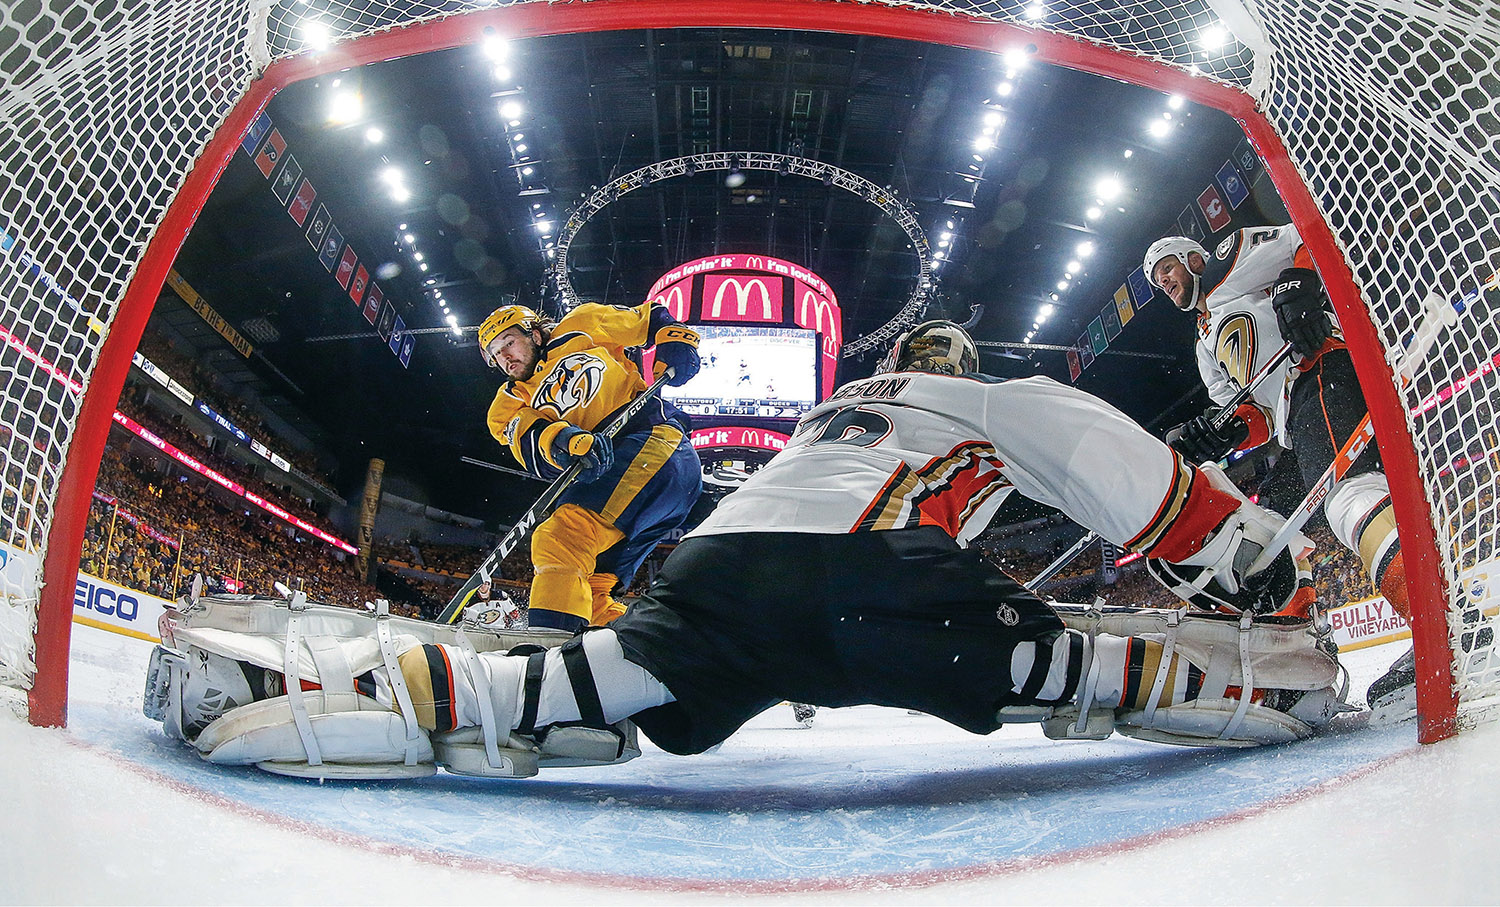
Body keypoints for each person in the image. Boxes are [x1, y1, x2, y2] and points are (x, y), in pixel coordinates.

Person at [158, 322, 1346, 779]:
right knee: (1072, 670)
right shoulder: (982, 402)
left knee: (556, 691)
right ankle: (1260, 676)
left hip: (720, 579)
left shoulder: (833, 414)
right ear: (958, 361)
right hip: (879, 581)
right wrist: (1261, 570)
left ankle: (302, 683)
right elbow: (1131, 480)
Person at [1142, 227, 1412, 714]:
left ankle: (1445, 620)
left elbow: (1312, 229)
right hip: (1293, 415)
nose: (1164, 283)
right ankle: (1300, 662)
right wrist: (1221, 433)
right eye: (1156, 282)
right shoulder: (1205, 344)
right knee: (1266, 537)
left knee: (1350, 497)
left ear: (1192, 259)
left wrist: (1300, 284)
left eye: (1166, 270)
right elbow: (1258, 419)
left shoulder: (1228, 263)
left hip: (1323, 369)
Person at [476, 301, 704, 631]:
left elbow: (648, 318)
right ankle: (646, 655)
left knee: (560, 540)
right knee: (594, 593)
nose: (505, 358)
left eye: (509, 343)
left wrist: (674, 339)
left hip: (653, 445)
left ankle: (549, 653)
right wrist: (563, 440)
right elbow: (528, 442)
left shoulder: (582, 324)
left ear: (536, 335)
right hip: (631, 481)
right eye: (496, 354)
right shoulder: (507, 403)